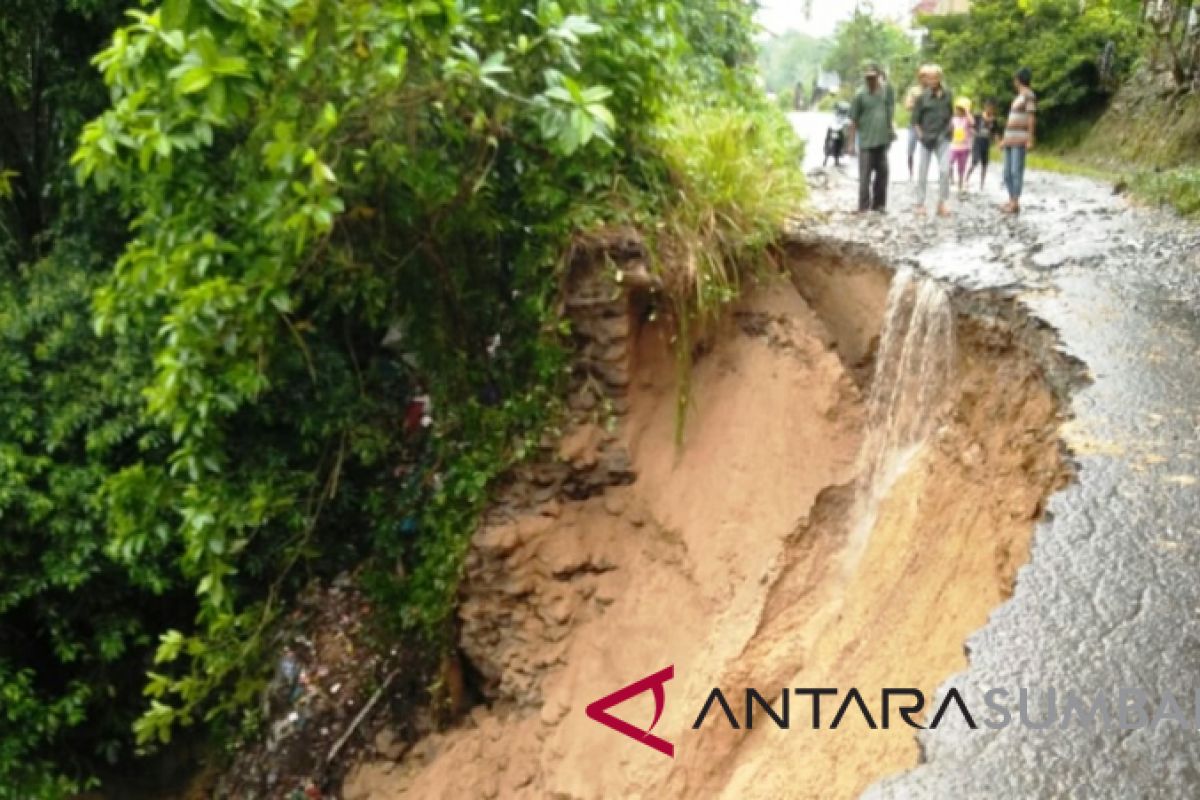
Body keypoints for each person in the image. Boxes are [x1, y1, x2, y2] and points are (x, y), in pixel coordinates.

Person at [846, 60, 896, 214]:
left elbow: (890, 110)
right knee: (865, 176)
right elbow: (853, 120)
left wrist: (891, 129)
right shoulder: (860, 95)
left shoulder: (886, 91)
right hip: (866, 141)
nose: (870, 80)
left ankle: (879, 205)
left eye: (873, 77)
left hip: (882, 140)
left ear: (879, 76)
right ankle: (863, 206)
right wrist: (850, 143)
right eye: (867, 77)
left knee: (883, 174)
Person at [912, 64, 954, 217]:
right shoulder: (922, 97)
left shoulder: (948, 94)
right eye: (929, 78)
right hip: (926, 138)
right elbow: (915, 120)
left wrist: (951, 126)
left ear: (940, 78)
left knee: (944, 170)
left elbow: (951, 113)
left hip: (943, 137)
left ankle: (942, 202)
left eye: (935, 77)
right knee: (922, 171)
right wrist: (921, 135)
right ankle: (920, 203)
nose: (932, 81)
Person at [1001, 67, 1037, 214]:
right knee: (1006, 172)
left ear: (1019, 79)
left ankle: (1015, 201)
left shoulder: (1029, 95)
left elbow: (1031, 116)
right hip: (1010, 138)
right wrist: (1004, 139)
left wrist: (1030, 138)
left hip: (1020, 138)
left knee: (1016, 171)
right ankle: (1010, 199)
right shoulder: (1018, 97)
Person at [965, 98, 998, 191]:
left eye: (992, 108)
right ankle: (966, 179)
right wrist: (973, 132)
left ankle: (982, 184)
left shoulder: (994, 120)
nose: (990, 110)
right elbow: (971, 126)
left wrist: (997, 142)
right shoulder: (978, 116)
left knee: (985, 163)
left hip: (986, 142)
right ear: (985, 107)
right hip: (978, 140)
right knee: (975, 161)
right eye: (989, 108)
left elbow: (995, 133)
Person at [904, 67, 930, 181]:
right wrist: (918, 103)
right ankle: (911, 174)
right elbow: (908, 105)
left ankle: (924, 173)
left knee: (926, 150)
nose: (925, 79)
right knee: (910, 149)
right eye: (923, 77)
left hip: (927, 124)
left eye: (927, 77)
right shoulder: (914, 90)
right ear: (919, 78)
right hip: (914, 124)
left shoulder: (931, 91)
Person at [949, 97, 974, 194]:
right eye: (957, 109)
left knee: (961, 168)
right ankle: (951, 179)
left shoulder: (967, 120)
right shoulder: (953, 119)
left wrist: (967, 112)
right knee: (949, 163)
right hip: (954, 146)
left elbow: (972, 122)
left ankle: (960, 184)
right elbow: (950, 129)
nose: (958, 111)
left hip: (964, 147)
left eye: (960, 109)